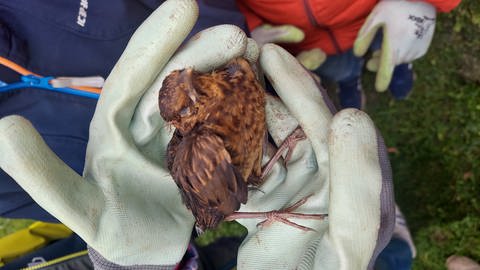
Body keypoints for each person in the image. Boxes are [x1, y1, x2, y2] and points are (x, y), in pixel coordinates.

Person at [236, 0, 461, 109]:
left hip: (378, 11)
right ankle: (350, 81)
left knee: (395, 43)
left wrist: (422, 3)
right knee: (341, 69)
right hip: (311, 42)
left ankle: (400, 63)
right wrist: (249, 27)